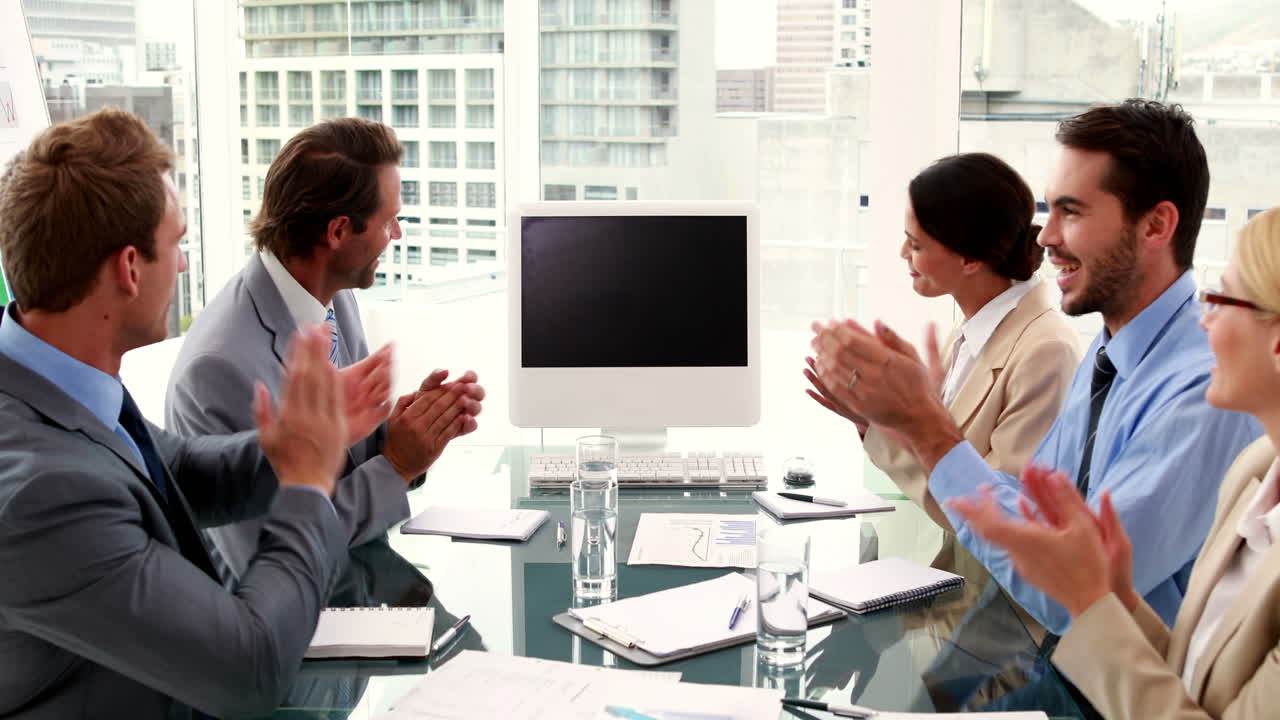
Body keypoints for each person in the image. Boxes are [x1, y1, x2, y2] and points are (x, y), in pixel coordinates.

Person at [810, 99, 1262, 635]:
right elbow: (1036, 515)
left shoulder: (1201, 387)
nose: (1045, 237)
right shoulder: (1108, 355)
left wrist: (926, 428)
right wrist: (904, 419)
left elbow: (1076, 598)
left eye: (1071, 212)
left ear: (1156, 225)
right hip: (1031, 652)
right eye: (1050, 211)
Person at [0, 108, 387, 718]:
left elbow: (174, 467)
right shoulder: (42, 493)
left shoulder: (53, 378)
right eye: (177, 243)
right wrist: (308, 484)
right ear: (129, 268)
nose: (184, 265)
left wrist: (297, 438)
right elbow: (248, 669)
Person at [950, 207, 1280, 720]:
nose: (1205, 318)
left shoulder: (1188, 391)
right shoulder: (1257, 470)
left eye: (1221, 299)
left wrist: (1089, 601)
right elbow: (1197, 674)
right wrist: (1117, 598)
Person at [167, 117, 484, 578]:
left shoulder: (334, 297)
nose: (395, 236)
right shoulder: (217, 368)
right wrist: (394, 467)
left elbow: (338, 456)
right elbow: (271, 557)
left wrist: (408, 432)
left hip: (355, 582)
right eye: (389, 221)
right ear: (337, 233)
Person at [806, 152, 1080, 532]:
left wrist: (900, 420)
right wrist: (872, 420)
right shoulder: (972, 331)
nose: (903, 254)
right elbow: (945, 463)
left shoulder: (1046, 352)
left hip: (994, 586)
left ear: (969, 258)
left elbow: (1003, 522)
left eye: (915, 245)